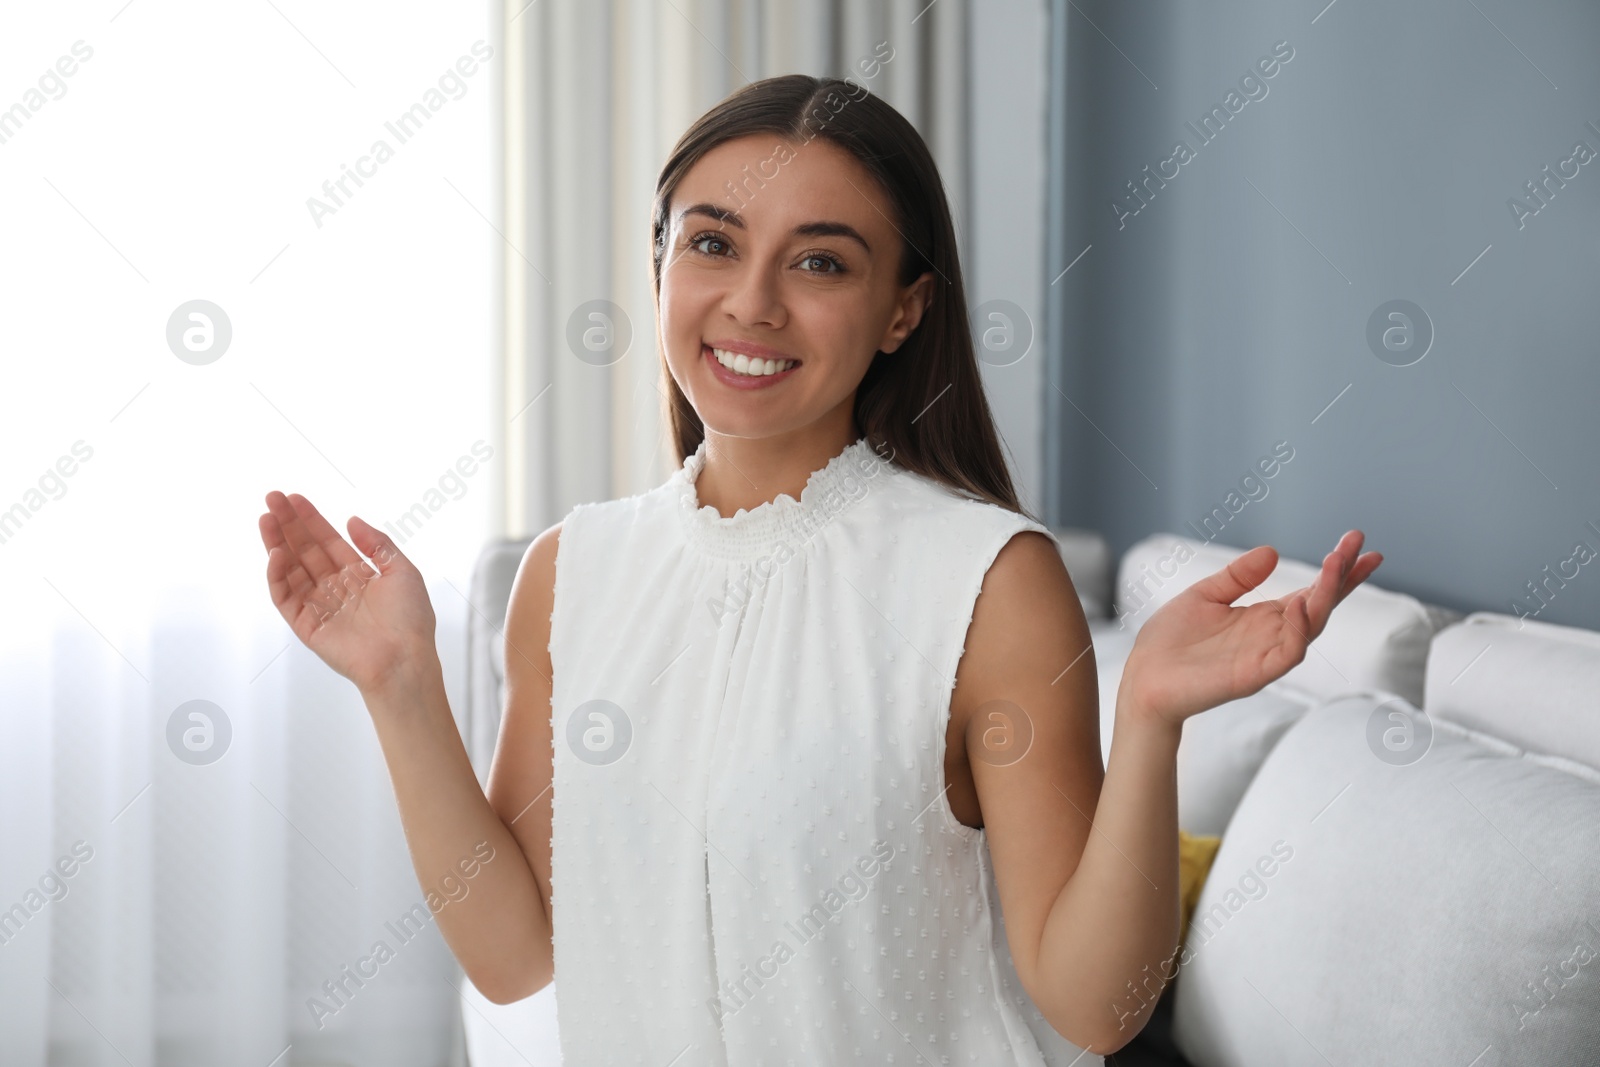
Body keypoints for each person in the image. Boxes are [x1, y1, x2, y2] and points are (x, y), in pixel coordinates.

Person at [257, 73, 1382, 1063]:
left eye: (820, 261)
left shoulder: (989, 580)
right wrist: (401, 685)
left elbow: (1097, 1007)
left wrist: (1147, 720)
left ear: (903, 308)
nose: (753, 300)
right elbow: (511, 955)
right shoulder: (571, 572)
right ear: (658, 265)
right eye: (712, 243)